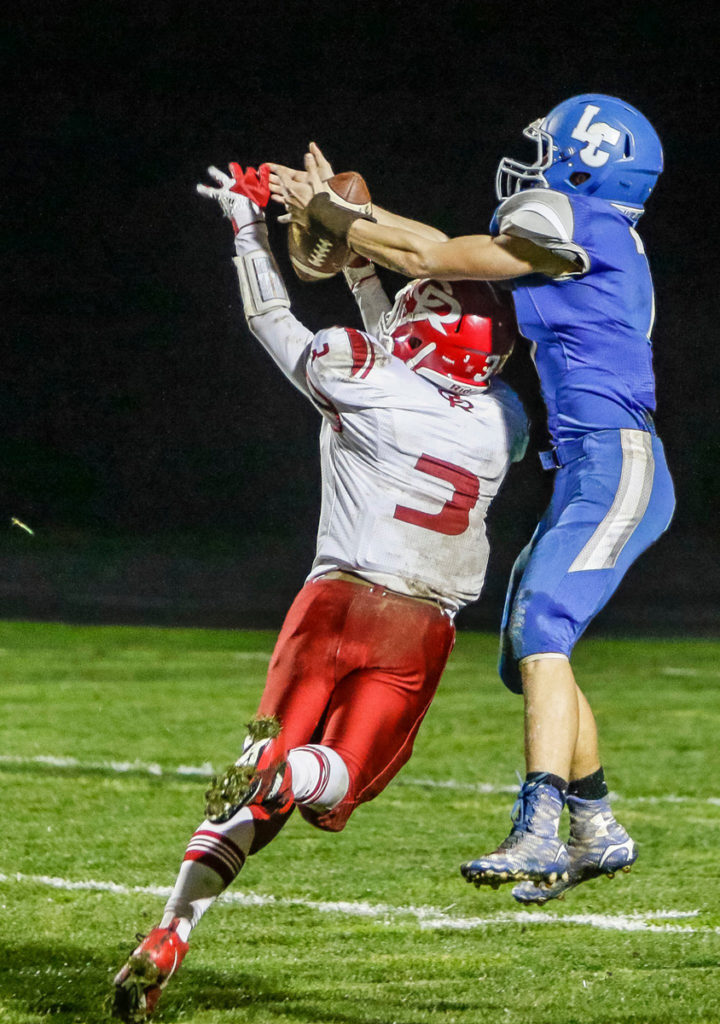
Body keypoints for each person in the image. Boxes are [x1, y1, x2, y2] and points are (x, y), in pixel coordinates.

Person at [111, 163, 529, 1020]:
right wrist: (359, 258)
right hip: (416, 625)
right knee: (335, 784)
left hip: (328, 607)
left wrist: (243, 224)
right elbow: (417, 353)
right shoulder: (498, 427)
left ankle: (171, 931)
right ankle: (288, 772)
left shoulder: (360, 374)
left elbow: (273, 316)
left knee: (252, 783)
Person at [268, 93, 676, 906]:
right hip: (584, 468)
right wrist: (347, 210)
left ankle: (540, 830)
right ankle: (597, 826)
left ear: (584, 161)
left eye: (548, 149)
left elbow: (429, 258)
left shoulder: (578, 226)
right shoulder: (585, 233)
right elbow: (436, 249)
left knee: (542, 632)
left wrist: (331, 215)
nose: (530, 163)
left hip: (618, 463)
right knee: (524, 653)